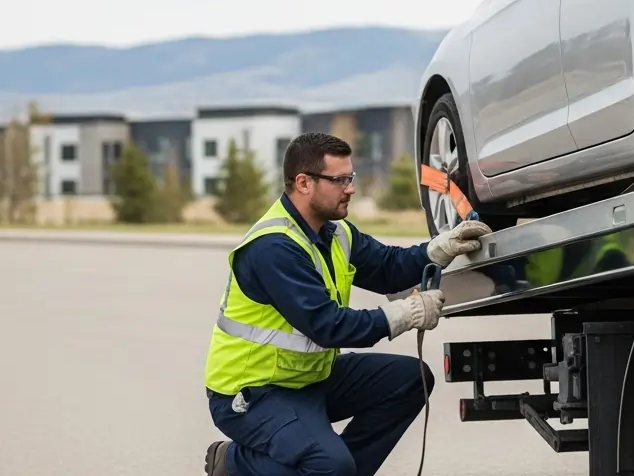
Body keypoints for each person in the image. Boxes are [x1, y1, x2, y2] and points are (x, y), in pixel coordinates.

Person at [202, 132, 490, 476]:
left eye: (350, 178)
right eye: (339, 180)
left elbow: (387, 267)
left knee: (410, 379)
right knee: (330, 465)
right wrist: (406, 313)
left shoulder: (335, 232)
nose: (350, 188)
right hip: (254, 393)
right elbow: (327, 326)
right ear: (304, 183)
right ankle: (233, 463)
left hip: (309, 379)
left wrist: (438, 249)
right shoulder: (274, 248)